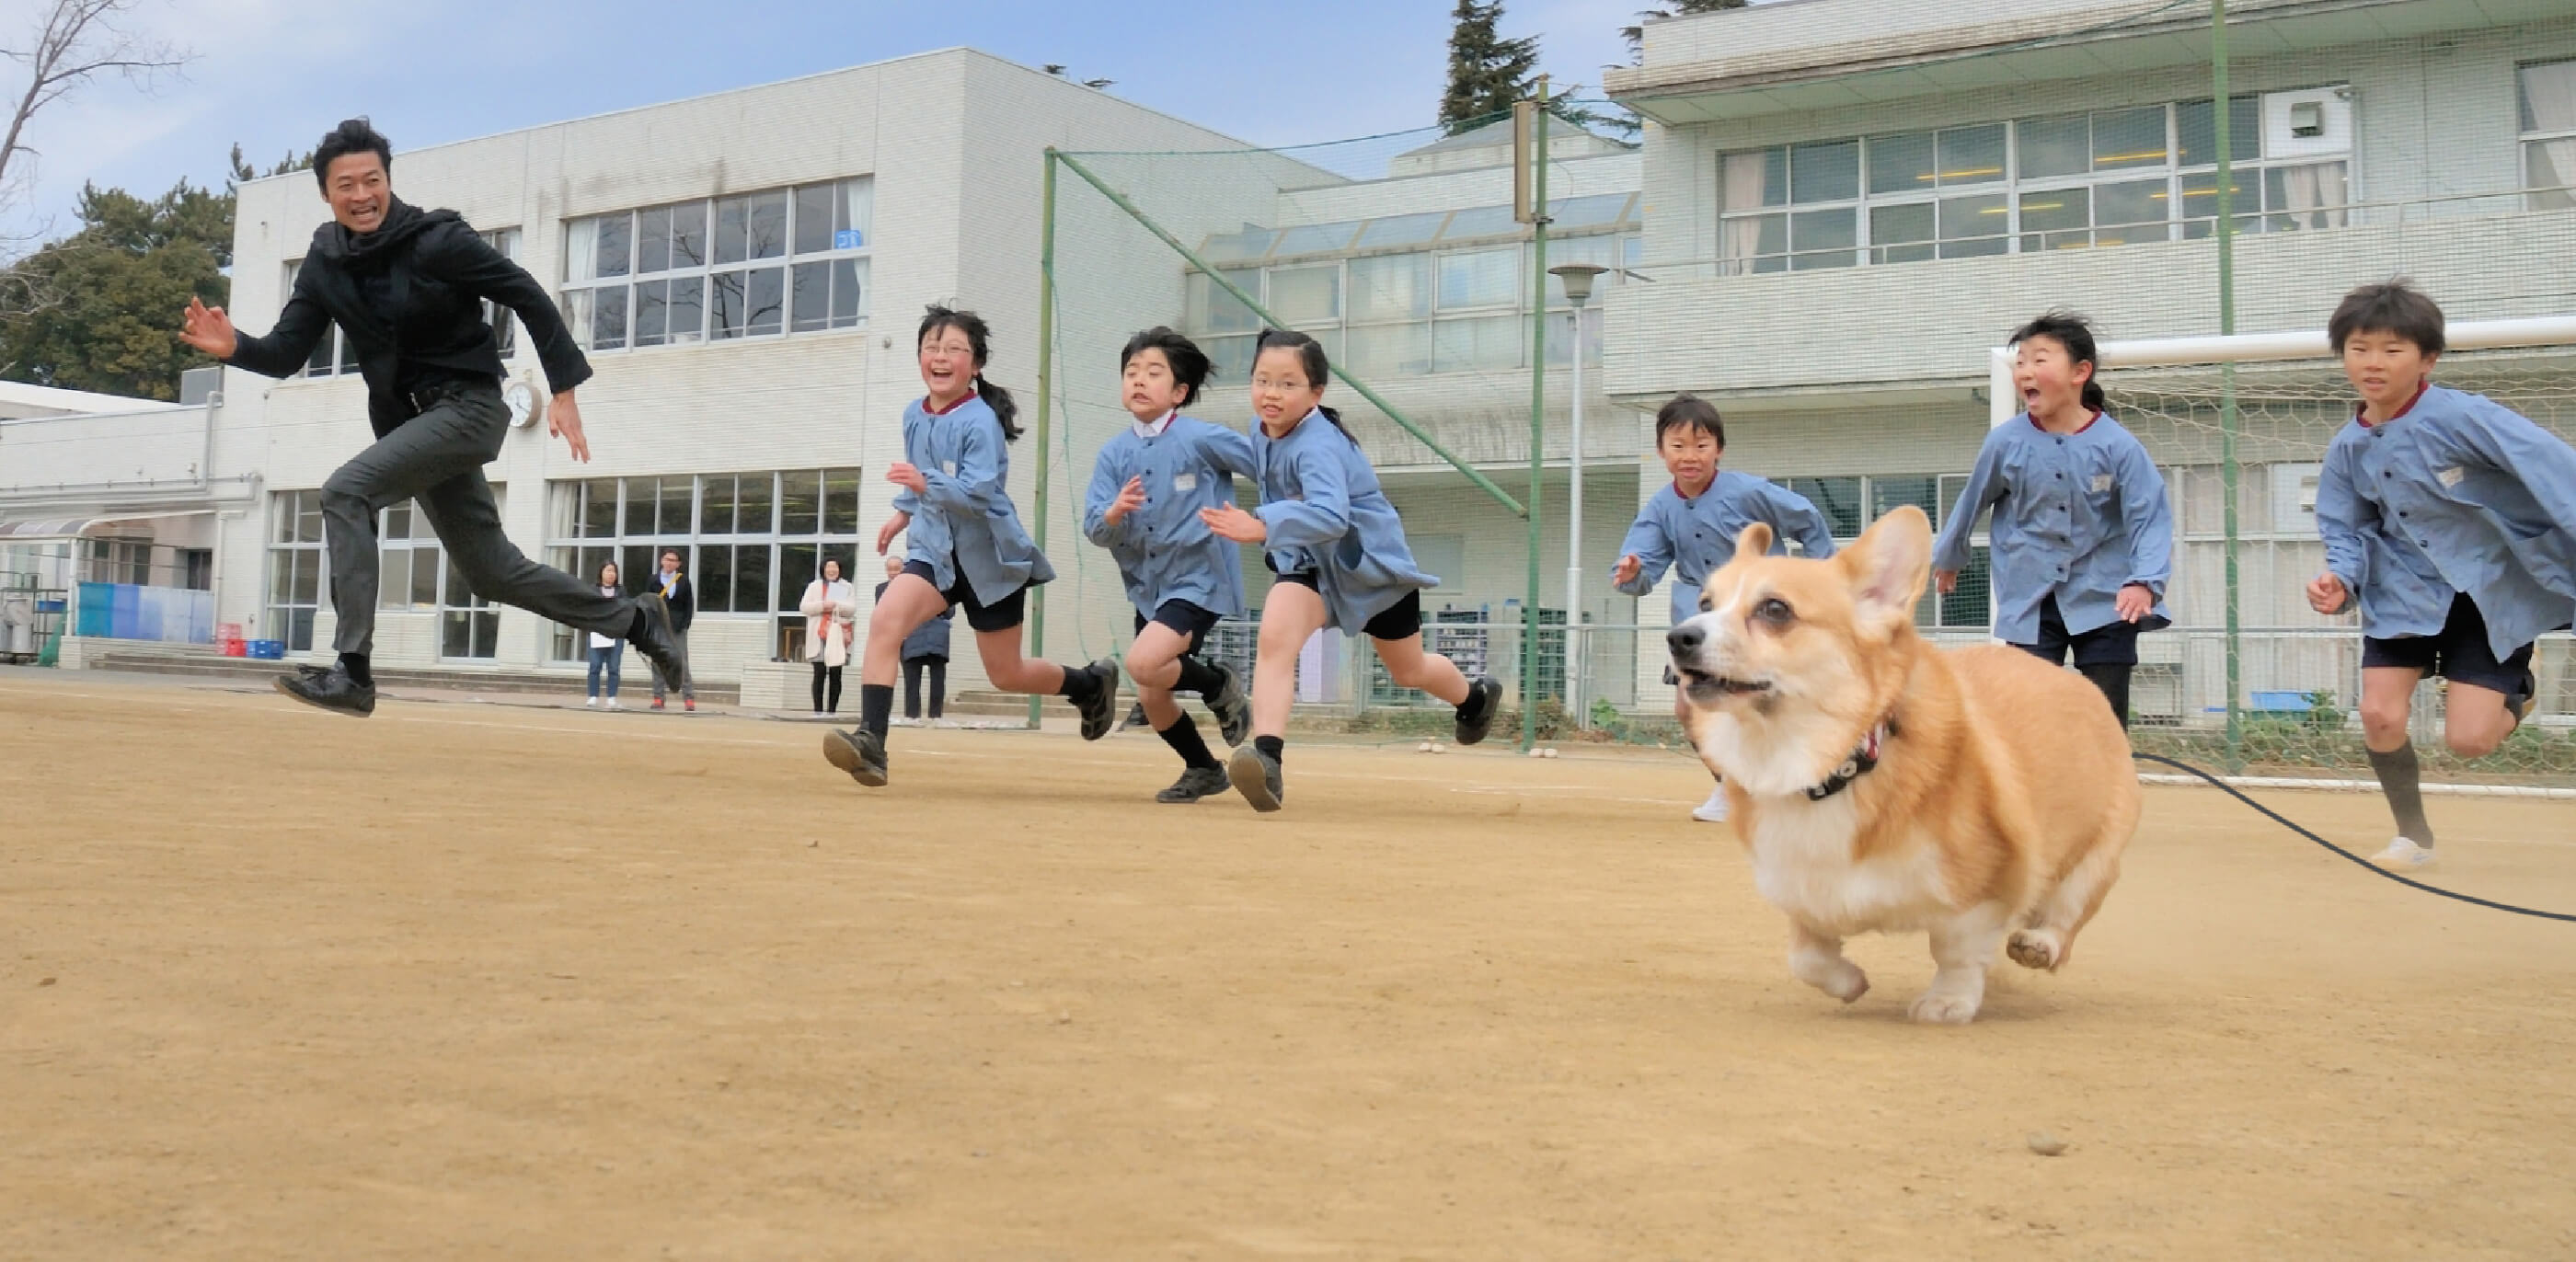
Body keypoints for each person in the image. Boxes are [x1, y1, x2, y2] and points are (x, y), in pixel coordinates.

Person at [178, 119, 683, 717]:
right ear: (326, 193)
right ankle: (637, 619)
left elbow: (525, 292)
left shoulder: (436, 240)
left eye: (373, 180)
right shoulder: (325, 261)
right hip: (411, 426)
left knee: (346, 491)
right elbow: (288, 352)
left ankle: (354, 672)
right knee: (492, 573)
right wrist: (238, 348)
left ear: (388, 182)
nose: (361, 195)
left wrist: (564, 386)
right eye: (346, 184)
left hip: (467, 410)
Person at [2306, 281, 2576, 872]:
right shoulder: (2347, 448)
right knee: (2379, 715)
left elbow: (2556, 472)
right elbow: (2344, 528)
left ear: (2428, 358)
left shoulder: (2467, 417)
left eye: (2393, 349)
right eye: (2360, 347)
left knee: (2470, 741)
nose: (2373, 362)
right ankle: (2413, 836)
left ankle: (2518, 693)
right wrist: (2341, 580)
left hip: (2486, 595)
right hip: (2399, 593)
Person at [1201, 328, 1502, 812]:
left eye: (1287, 383)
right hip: (1307, 566)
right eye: (1261, 380)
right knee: (1275, 640)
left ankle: (1473, 698)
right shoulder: (1261, 431)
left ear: (1317, 393)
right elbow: (1250, 459)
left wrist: (1259, 523)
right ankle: (1267, 759)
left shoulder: (1318, 444)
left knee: (1409, 670)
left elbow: (1331, 515)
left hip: (1367, 569)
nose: (1271, 393)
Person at [822, 307, 1120, 786]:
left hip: (989, 561)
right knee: (885, 622)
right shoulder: (912, 415)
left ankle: (1089, 684)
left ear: (976, 365)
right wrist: (903, 512)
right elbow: (919, 478)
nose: (940, 358)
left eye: (954, 350)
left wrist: (924, 483)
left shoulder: (980, 421)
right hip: (933, 555)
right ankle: (871, 742)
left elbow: (980, 494)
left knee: (1006, 673)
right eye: (931, 348)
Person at [1933, 310, 2174, 729]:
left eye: (2040, 359)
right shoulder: (2005, 442)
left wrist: (2144, 581)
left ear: (2081, 372)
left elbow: (2149, 517)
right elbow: (1971, 502)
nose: (2026, 370)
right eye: (2021, 361)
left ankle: (2103, 793)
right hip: (2031, 601)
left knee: (2105, 721)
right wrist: (1949, 556)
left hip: (2106, 600)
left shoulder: (2118, 446)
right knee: (2025, 719)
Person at [1611, 394, 1837, 824]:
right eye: (1678, 447)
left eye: (1701, 446)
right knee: (1688, 708)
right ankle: (1729, 786)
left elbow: (1807, 519)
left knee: (1773, 702)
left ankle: (1800, 783)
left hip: (1758, 622)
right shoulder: (1660, 508)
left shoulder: (1749, 491)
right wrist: (1631, 571)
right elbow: (1644, 564)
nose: (1690, 456)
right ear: (1661, 452)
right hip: (1700, 620)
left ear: (1719, 449)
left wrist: (1815, 575)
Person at [1083, 327, 1258, 803]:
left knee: (1143, 662)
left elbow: (1265, 464)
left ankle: (1218, 684)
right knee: (1150, 691)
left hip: (1199, 578)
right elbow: (1093, 529)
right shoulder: (1113, 454)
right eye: (1131, 372)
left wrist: (1270, 517)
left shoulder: (1202, 439)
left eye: (1153, 372)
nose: (1138, 380)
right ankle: (1203, 768)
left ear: (1179, 392)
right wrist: (1114, 513)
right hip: (1148, 585)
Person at [878, 555, 955, 724]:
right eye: (890, 569)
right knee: (912, 678)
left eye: (897, 568)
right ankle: (914, 715)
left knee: (935, 678)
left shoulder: (942, 587)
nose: (894, 573)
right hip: (908, 636)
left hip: (932, 637)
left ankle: (931, 716)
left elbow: (950, 612)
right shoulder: (884, 588)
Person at [800, 556, 857, 717]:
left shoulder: (846, 586)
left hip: (836, 633)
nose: (832, 570)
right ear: (823, 569)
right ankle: (817, 711)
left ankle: (832, 711)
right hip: (818, 633)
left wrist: (836, 605)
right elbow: (804, 607)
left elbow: (852, 608)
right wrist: (822, 606)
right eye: (828, 567)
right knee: (819, 673)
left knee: (836, 673)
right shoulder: (814, 586)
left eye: (835, 567)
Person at [650, 548, 696, 712]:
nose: (669, 563)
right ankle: (658, 697)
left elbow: (689, 605)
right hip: (658, 627)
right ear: (662, 561)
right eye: (667, 559)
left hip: (677, 627)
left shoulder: (683, 581)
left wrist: (685, 624)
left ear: (678, 564)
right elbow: (648, 603)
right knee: (658, 663)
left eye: (673, 560)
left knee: (682, 662)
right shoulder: (653, 580)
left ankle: (689, 698)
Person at [586, 560, 626, 709]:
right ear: (601, 573)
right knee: (595, 665)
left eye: (613, 571)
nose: (611, 574)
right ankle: (593, 696)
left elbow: (625, 609)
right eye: (608, 570)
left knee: (614, 667)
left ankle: (611, 697)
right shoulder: (592, 590)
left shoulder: (621, 591)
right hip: (597, 633)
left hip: (616, 633)